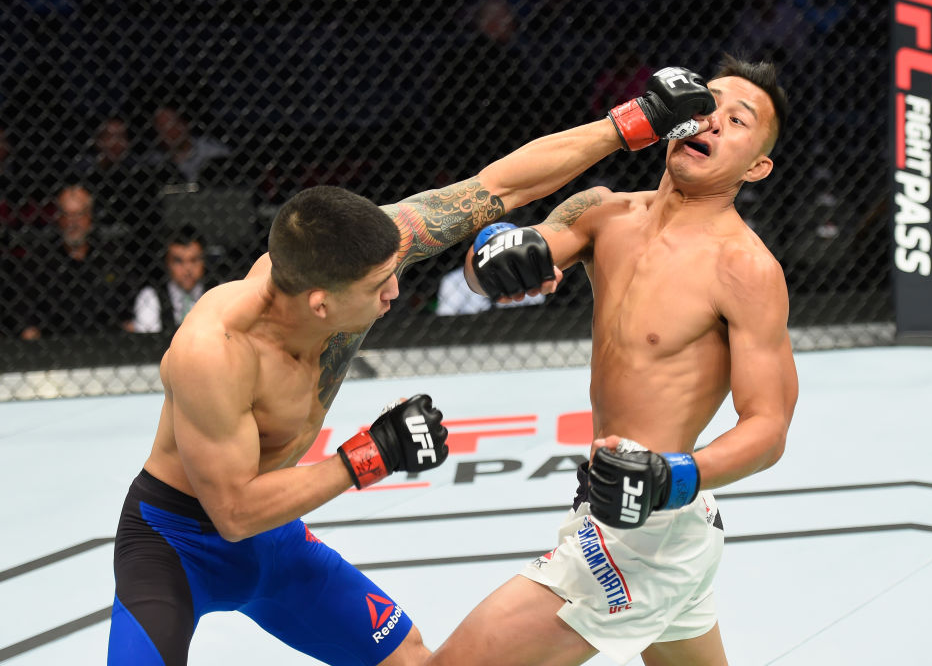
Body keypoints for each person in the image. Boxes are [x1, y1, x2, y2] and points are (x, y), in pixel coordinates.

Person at [106, 68, 715, 666]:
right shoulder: (213, 352)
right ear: (320, 301)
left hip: (274, 538)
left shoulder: (358, 257)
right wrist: (369, 456)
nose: (395, 292)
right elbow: (232, 514)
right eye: (377, 286)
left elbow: (499, 186)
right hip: (175, 545)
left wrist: (631, 123)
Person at [430, 55, 798, 666]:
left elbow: (768, 429)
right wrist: (495, 255)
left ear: (758, 167)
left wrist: (670, 476)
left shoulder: (745, 267)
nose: (711, 122)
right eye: (705, 105)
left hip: (645, 531)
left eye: (738, 120)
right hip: (646, 516)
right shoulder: (604, 212)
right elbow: (497, 262)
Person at [17, 183, 129, 340]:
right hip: (54, 348)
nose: (73, 222)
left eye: (79, 214)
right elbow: (26, 317)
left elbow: (129, 309)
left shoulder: (112, 257)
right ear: (58, 218)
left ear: (90, 216)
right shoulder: (39, 262)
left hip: (108, 343)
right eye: (67, 214)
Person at [127, 224, 209, 334]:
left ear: (204, 261)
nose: (187, 269)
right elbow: (146, 341)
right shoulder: (151, 296)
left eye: (194, 260)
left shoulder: (221, 292)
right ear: (167, 263)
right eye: (178, 261)